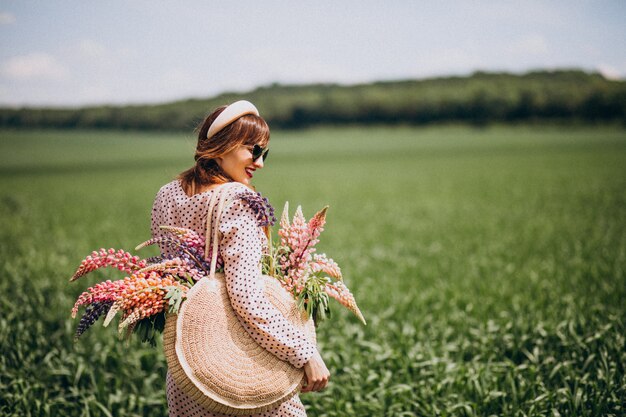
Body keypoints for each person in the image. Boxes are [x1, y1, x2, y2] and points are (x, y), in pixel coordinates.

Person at [150, 100, 330, 417]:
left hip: (191, 370)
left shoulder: (167, 194)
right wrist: (306, 354)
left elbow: (170, 279)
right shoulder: (237, 199)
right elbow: (247, 300)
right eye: (253, 151)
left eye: (265, 153)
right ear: (223, 145)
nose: (260, 163)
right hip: (240, 372)